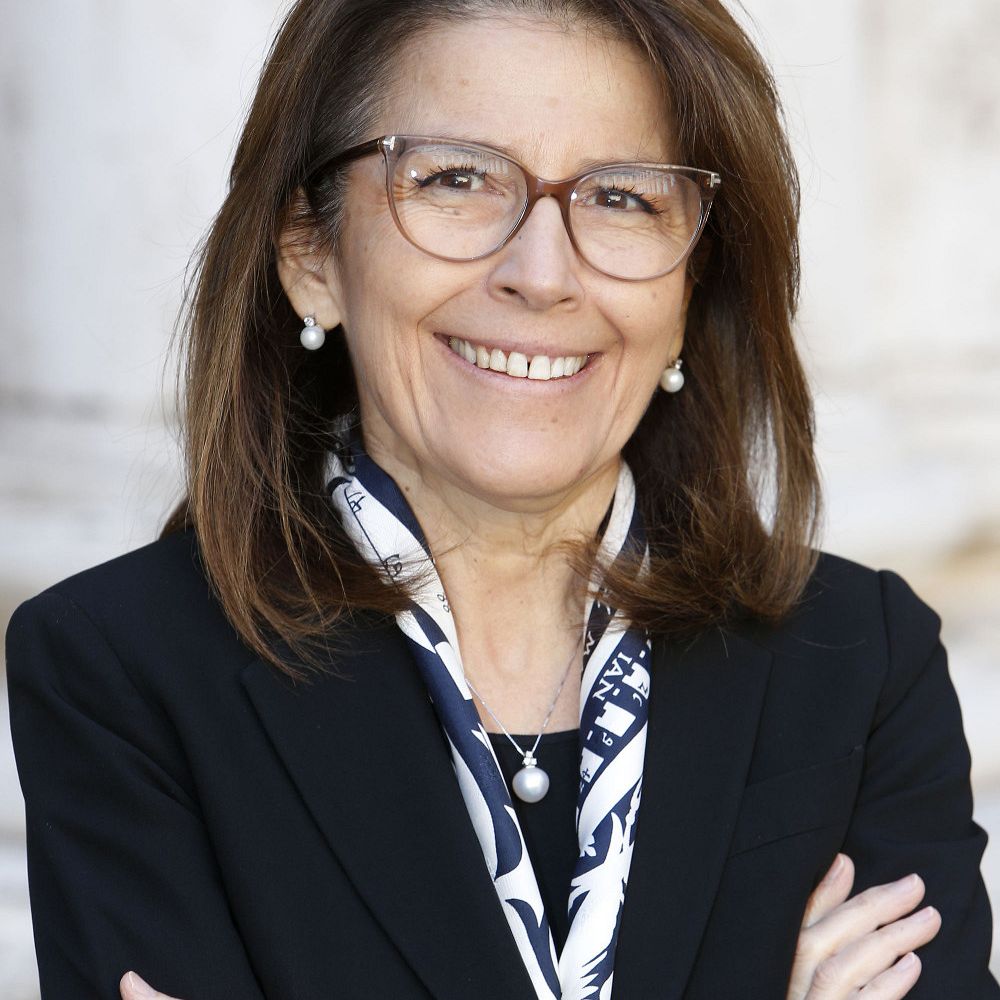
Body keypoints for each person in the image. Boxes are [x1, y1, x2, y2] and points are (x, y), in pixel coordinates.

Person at [6, 0, 999, 997]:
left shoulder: (860, 660)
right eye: (456, 179)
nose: (542, 274)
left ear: (689, 291)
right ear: (311, 254)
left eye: (622, 197)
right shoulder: (122, 673)